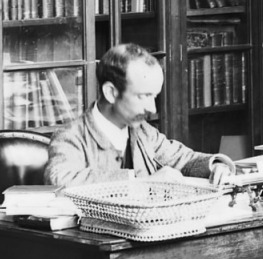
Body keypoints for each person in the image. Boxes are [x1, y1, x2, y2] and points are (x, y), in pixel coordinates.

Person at [43, 43, 222, 189]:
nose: (152, 108)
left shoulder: (144, 133)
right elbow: (61, 181)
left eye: (154, 96)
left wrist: (215, 166)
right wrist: (141, 182)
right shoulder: (70, 137)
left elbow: (184, 160)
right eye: (143, 96)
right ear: (111, 93)